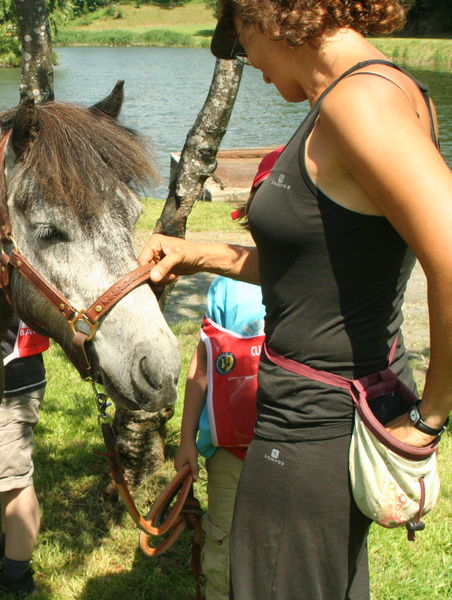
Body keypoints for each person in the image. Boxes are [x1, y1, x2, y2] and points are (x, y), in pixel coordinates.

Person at [141, 1, 452, 598]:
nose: (243, 59)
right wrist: (195, 252)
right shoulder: (366, 93)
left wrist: (430, 420)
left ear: (267, 16)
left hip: (317, 423)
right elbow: (320, 267)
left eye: (236, 37)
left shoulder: (361, 103)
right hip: (319, 413)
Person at [175, 149, 279, 600]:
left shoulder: (323, 285)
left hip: (294, 453)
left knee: (280, 545)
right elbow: (203, 366)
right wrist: (184, 441)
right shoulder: (228, 285)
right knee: (223, 537)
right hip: (230, 452)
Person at [0, 320, 48, 597]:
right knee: (11, 483)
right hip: (24, 375)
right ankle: (6, 555)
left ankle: (16, 579)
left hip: (10, 383)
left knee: (15, 483)